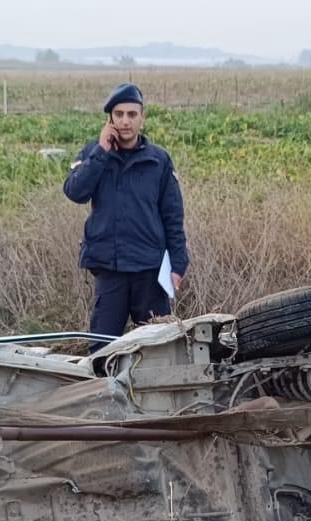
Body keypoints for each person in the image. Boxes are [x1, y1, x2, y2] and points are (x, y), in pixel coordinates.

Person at [62, 82, 189, 351]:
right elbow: (75, 192)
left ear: (142, 117)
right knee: (102, 352)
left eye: (132, 114)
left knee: (158, 351)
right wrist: (101, 152)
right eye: (118, 114)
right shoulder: (93, 153)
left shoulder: (159, 161)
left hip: (150, 271)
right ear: (110, 119)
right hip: (110, 270)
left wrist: (178, 264)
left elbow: (173, 216)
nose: (125, 121)